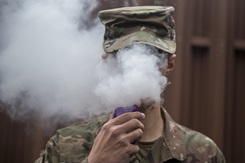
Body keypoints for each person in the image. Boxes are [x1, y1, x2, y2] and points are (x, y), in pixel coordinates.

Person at [35, 6, 226, 163]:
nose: (136, 68)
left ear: (169, 64)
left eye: (151, 55)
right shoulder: (64, 147)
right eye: (121, 56)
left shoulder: (204, 154)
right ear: (106, 62)